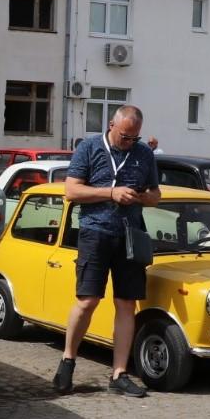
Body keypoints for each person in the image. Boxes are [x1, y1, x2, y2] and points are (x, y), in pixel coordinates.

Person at [57, 105, 161, 398]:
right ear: (112, 125)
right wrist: (111, 192)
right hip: (95, 231)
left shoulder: (143, 154)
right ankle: (68, 359)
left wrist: (139, 196)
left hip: (130, 235)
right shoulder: (89, 148)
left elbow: (156, 196)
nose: (130, 142)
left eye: (134, 138)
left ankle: (119, 373)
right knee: (87, 301)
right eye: (125, 136)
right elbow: (72, 192)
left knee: (126, 304)